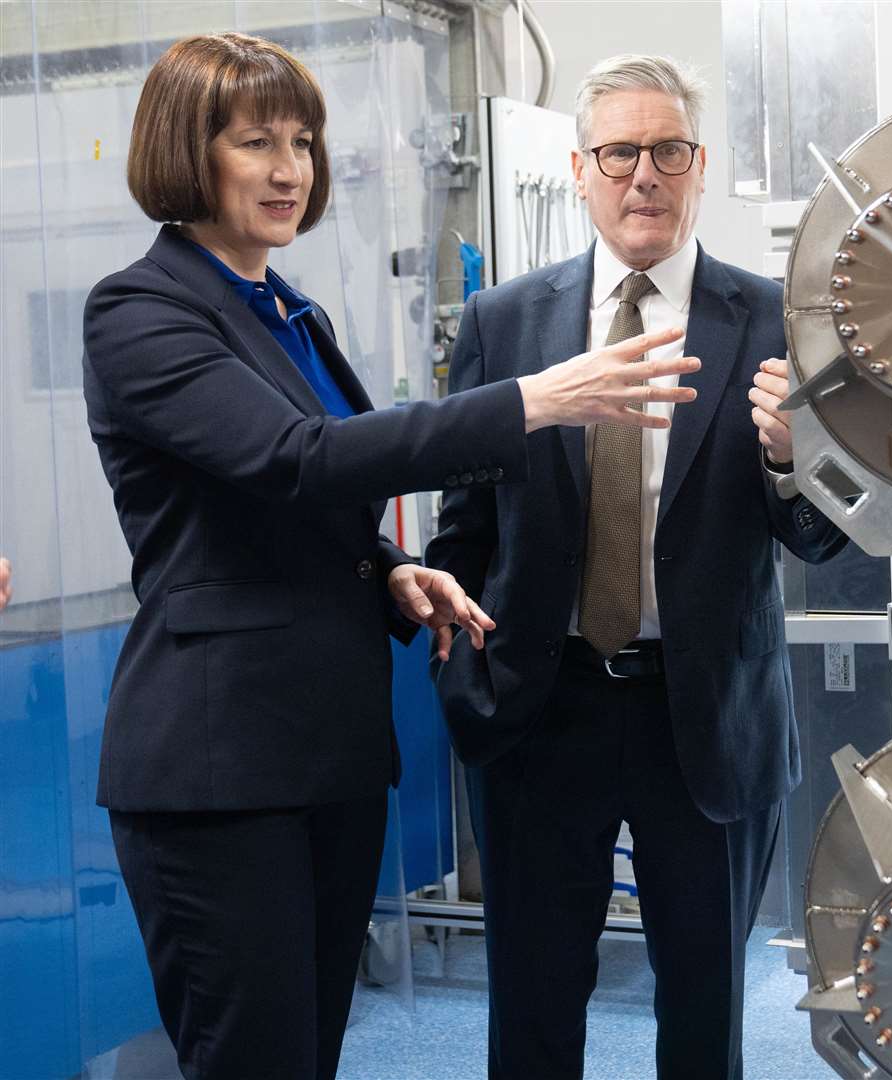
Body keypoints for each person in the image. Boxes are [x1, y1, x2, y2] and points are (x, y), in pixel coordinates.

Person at [82, 33, 701, 1080]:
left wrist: (387, 570)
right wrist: (531, 401)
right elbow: (295, 458)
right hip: (216, 766)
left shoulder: (286, 315)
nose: (290, 170)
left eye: (303, 142)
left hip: (324, 754)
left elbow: (290, 506)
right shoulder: (139, 311)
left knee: (308, 1052)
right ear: (189, 154)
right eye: (254, 143)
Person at [426, 53, 848, 1079]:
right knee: (531, 1008)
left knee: (705, 1015)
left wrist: (799, 462)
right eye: (620, 153)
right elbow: (463, 525)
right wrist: (464, 675)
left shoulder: (773, 318)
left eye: (667, 151)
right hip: (541, 711)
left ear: (698, 167)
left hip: (703, 721)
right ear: (580, 170)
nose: (643, 176)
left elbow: (821, 537)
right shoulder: (505, 322)